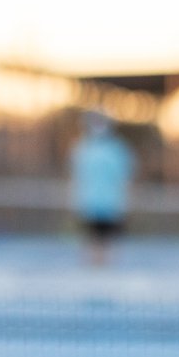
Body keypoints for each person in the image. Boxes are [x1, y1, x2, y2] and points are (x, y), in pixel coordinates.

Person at [69, 110, 133, 266]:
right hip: (90, 203)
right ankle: (93, 266)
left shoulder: (116, 149)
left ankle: (106, 267)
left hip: (110, 203)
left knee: (107, 239)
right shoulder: (82, 148)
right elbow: (77, 175)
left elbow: (125, 175)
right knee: (92, 237)